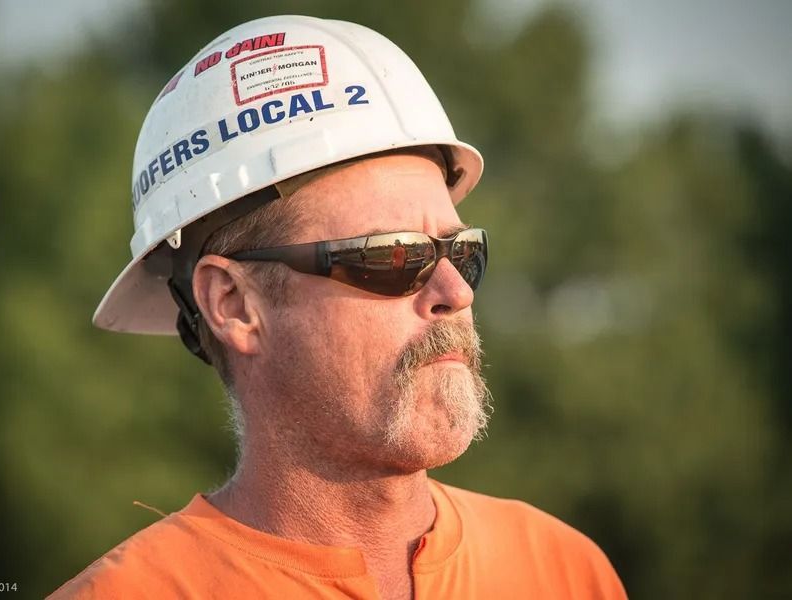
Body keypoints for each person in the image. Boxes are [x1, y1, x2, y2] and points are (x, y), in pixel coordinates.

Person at [50, 15, 627, 600]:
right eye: (394, 255)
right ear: (233, 305)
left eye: (463, 251)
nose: (457, 293)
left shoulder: (563, 571)